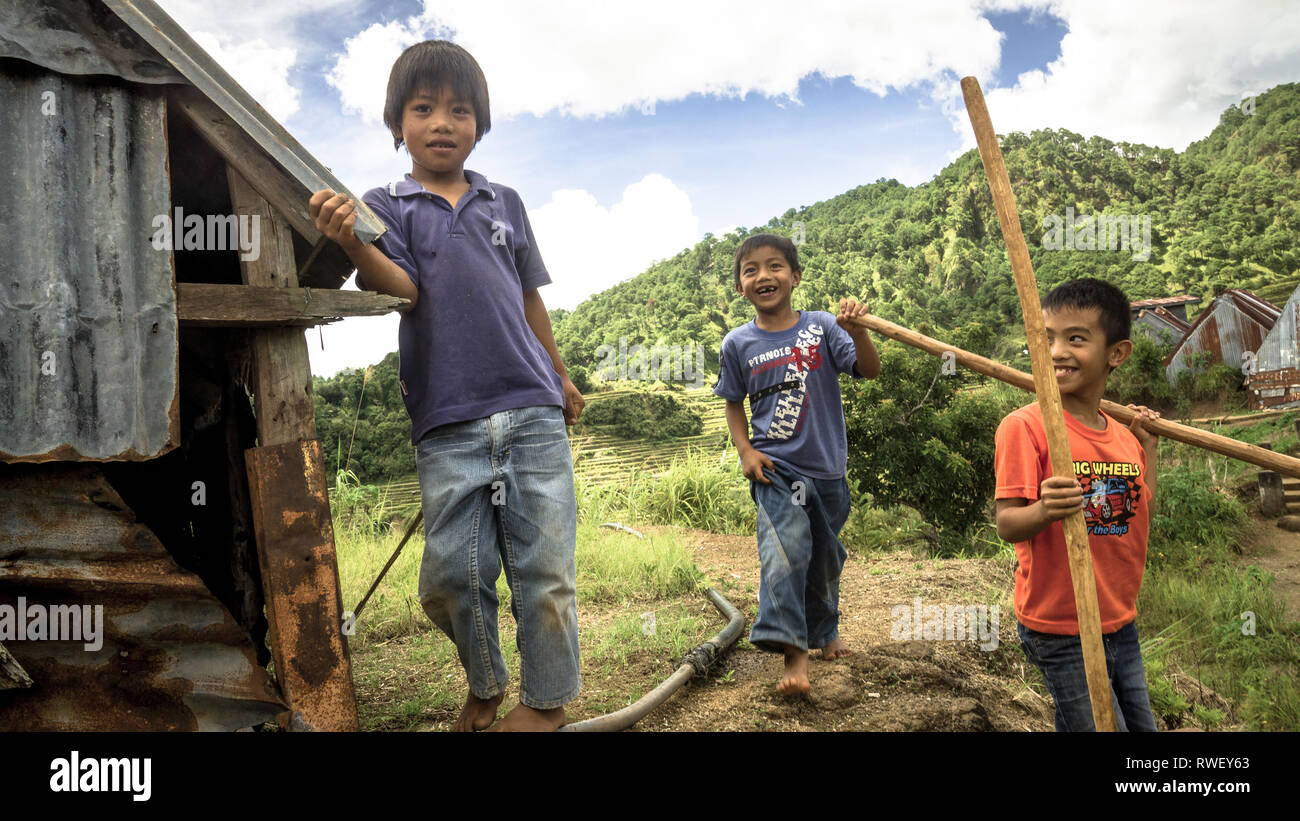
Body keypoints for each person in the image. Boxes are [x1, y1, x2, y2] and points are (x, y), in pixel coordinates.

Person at [308, 40, 583, 732]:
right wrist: (351, 241)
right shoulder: (385, 205)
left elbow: (528, 298)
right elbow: (403, 287)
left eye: (459, 110)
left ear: (479, 125)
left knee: (544, 575)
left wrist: (559, 372)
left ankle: (545, 705)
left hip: (531, 409)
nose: (442, 122)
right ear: (397, 122)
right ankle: (486, 685)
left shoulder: (505, 202)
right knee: (452, 578)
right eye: (424, 108)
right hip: (448, 421)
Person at [713, 232, 881, 695]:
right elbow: (732, 402)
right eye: (751, 270)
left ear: (795, 276)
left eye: (775, 266)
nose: (764, 276)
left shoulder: (824, 326)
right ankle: (795, 655)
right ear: (740, 286)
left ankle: (825, 629)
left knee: (825, 557)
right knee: (786, 551)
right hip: (776, 470)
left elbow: (868, 370)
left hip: (827, 470)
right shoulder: (737, 343)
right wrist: (746, 451)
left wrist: (858, 331)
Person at [994, 277, 1161, 731]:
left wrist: (1150, 449)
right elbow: (1007, 523)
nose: (1056, 352)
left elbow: (1140, 506)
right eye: (1046, 338)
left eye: (1076, 339)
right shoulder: (1025, 427)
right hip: (1060, 625)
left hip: (1119, 620)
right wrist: (1045, 510)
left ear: (1116, 353)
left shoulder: (1125, 438)